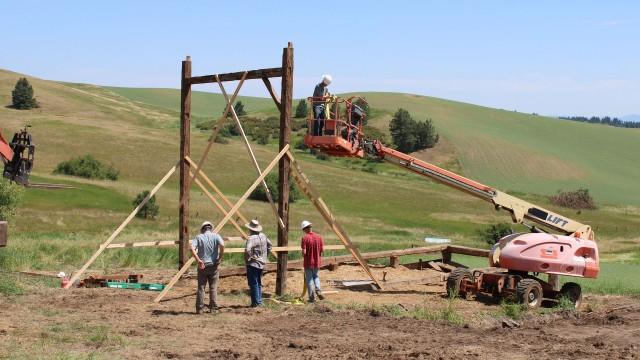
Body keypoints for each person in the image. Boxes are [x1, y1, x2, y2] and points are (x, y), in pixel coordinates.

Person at [191, 221, 225, 314]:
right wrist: (220, 257)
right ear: (211, 228)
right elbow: (222, 245)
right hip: (213, 265)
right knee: (213, 288)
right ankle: (213, 309)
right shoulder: (216, 236)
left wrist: (198, 260)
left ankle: (200, 309)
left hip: (202, 266)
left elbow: (192, 248)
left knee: (201, 288)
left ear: (203, 229)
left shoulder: (199, 237)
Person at [244, 219, 272, 307]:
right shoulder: (263, 235)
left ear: (250, 229)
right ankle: (259, 301)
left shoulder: (251, 238)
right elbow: (270, 245)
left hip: (253, 263)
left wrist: (251, 257)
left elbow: (247, 250)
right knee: (259, 282)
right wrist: (265, 256)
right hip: (262, 263)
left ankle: (255, 303)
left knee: (253, 283)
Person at [300, 220, 324, 302]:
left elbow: (304, 252)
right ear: (310, 227)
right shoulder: (319, 237)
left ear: (305, 229)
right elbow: (322, 250)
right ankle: (318, 290)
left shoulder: (304, 238)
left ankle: (311, 298)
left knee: (309, 279)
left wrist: (303, 254)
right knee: (316, 276)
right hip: (317, 261)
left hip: (308, 262)